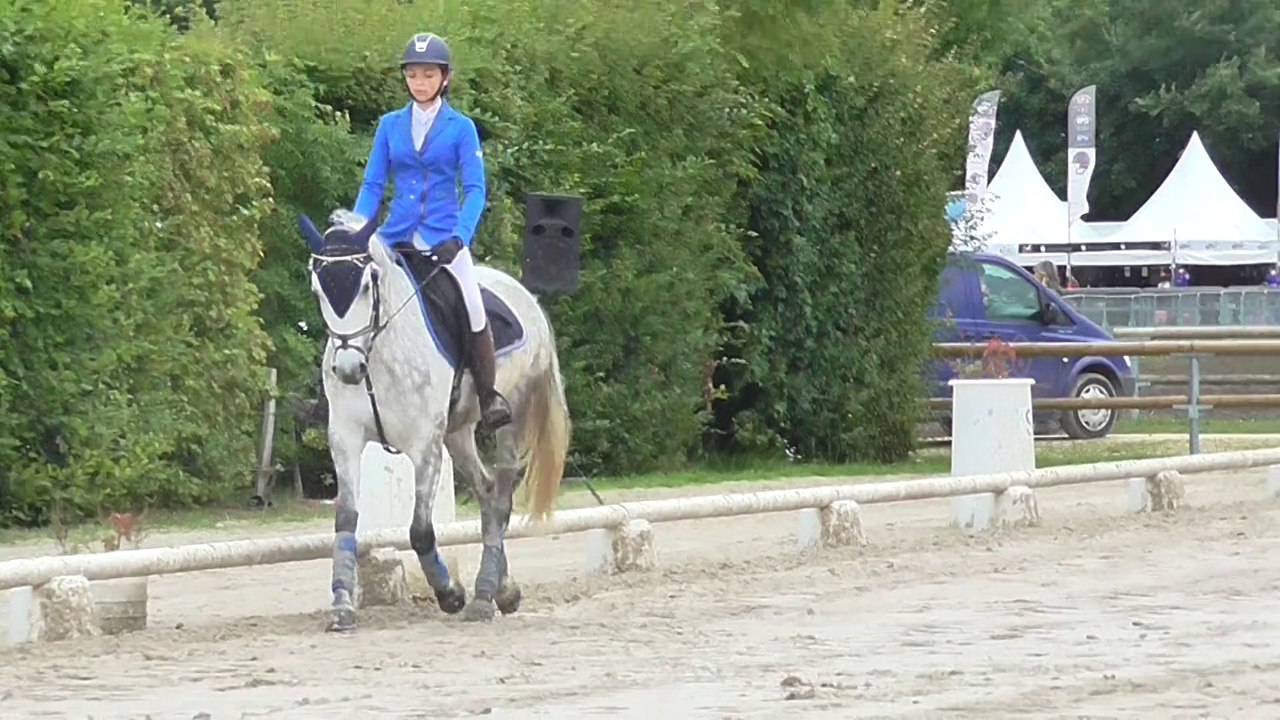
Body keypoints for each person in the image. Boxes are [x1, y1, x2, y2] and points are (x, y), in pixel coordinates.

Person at [350, 31, 512, 431]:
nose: (419, 83)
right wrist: (356, 231)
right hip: (394, 235)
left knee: (472, 303)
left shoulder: (461, 128)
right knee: (350, 292)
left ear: (445, 78)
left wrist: (460, 236)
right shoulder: (389, 125)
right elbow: (373, 184)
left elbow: (474, 189)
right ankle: (328, 396)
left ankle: (488, 396)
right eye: (412, 75)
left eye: (428, 75)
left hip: (443, 236)